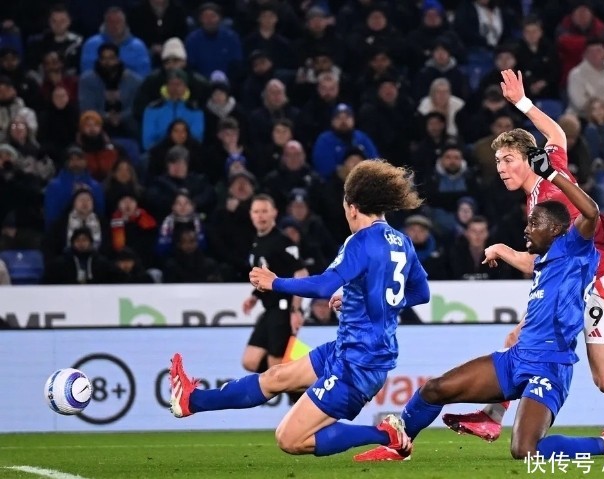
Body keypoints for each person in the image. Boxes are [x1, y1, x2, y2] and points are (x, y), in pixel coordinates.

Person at [437, 70, 604, 450]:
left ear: (527, 159)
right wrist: (522, 103)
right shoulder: (542, 182)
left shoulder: (553, 194)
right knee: (518, 338)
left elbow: (548, 256)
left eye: (508, 159)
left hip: (595, 282)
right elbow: (557, 136)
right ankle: (491, 417)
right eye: (497, 161)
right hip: (570, 282)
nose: (500, 168)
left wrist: (503, 250)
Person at [356, 147, 604, 462]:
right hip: (516, 360)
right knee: (434, 389)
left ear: (555, 229)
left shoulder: (575, 249)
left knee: (525, 450)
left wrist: (552, 174)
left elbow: (591, 212)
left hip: (550, 367)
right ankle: (399, 445)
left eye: (534, 223)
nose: (526, 228)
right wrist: (500, 250)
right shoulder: (543, 260)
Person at [169, 160, 429, 458]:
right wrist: (366, 299)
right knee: (276, 377)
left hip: (358, 364)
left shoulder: (360, 242)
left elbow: (323, 287)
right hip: (350, 349)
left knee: (289, 439)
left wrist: (275, 282)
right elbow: (421, 293)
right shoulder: (402, 242)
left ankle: (386, 435)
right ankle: (191, 400)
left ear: (352, 207)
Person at [239, 194, 308, 378]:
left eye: (264, 211)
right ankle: (299, 374)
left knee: (275, 367)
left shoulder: (282, 241)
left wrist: (295, 309)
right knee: (250, 361)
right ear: (251, 214)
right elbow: (269, 275)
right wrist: (255, 296)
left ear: (274, 213)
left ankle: (304, 381)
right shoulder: (257, 242)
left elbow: (301, 273)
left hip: (283, 309)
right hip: (269, 309)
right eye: (256, 212)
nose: (260, 216)